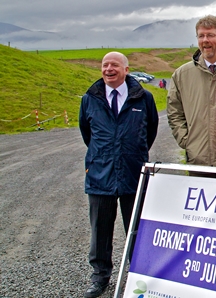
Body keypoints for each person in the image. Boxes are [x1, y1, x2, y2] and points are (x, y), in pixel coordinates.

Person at [79, 52, 159, 298]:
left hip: (133, 173)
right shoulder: (90, 99)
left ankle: (137, 277)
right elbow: (87, 133)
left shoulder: (143, 98)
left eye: (114, 65)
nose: (109, 69)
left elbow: (150, 131)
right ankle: (100, 278)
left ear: (126, 69)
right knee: (100, 230)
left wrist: (132, 152)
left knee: (134, 229)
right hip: (100, 174)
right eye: (105, 65)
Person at [167, 15, 216, 175]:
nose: (205, 40)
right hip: (198, 161)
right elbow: (174, 111)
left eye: (210, 35)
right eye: (201, 36)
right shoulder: (182, 74)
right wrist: (187, 141)